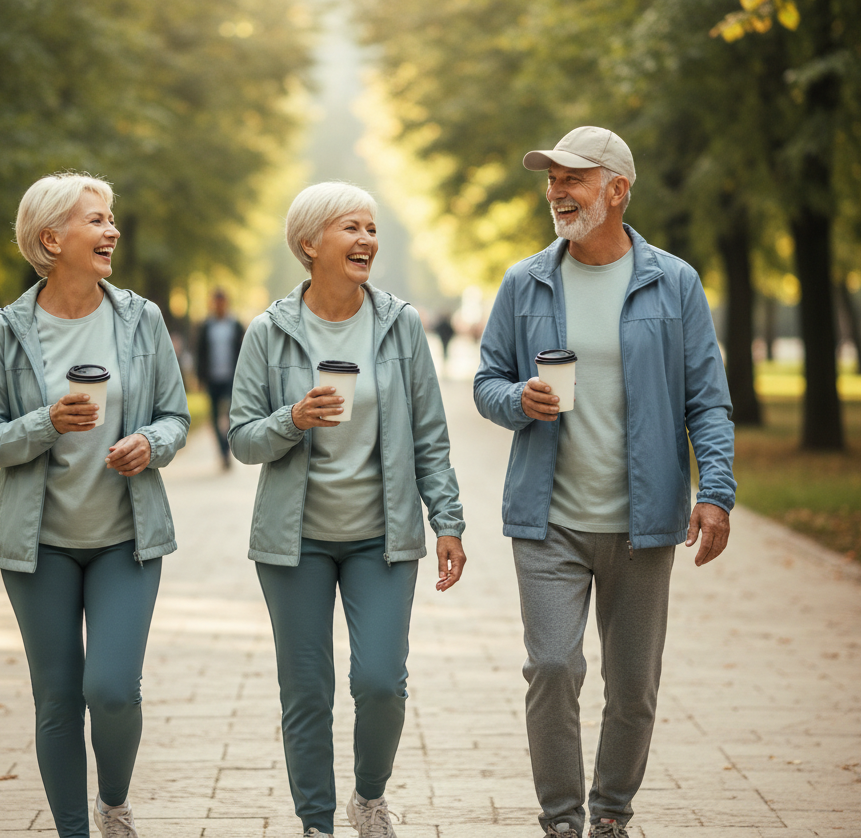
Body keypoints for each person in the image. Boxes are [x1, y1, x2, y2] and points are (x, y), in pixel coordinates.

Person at [473, 127, 736, 838]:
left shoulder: (672, 282)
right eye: (551, 179)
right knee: (553, 667)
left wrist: (715, 491)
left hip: (642, 521)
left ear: (617, 190)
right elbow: (485, 380)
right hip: (547, 516)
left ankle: (611, 812)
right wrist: (515, 400)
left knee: (633, 689)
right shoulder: (525, 281)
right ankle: (560, 820)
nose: (557, 191)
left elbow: (706, 398)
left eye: (574, 178)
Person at [228, 181, 467, 838]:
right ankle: (316, 823)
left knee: (381, 682)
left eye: (370, 228)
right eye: (350, 228)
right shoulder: (270, 332)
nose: (367, 240)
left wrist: (448, 520)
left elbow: (430, 434)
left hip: (382, 539)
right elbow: (242, 437)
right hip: (293, 542)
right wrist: (292, 417)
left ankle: (368, 795)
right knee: (307, 692)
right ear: (310, 244)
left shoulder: (401, 324)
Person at [0, 172, 190, 838]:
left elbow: (176, 416)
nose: (112, 230)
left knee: (112, 690)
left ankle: (114, 805)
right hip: (38, 547)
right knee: (58, 699)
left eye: (111, 218)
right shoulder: (6, 332)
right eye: (97, 220)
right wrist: (45, 424)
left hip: (127, 538)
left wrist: (150, 442)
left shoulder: (140, 318)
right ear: (52, 238)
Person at [194, 288, 245, 468]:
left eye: (221, 302)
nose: (219, 305)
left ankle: (227, 446)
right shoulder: (206, 326)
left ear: (226, 303)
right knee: (214, 417)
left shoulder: (236, 325)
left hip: (231, 378)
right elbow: (200, 353)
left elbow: (243, 352)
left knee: (231, 415)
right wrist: (199, 378)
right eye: (216, 302)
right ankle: (223, 451)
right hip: (212, 378)